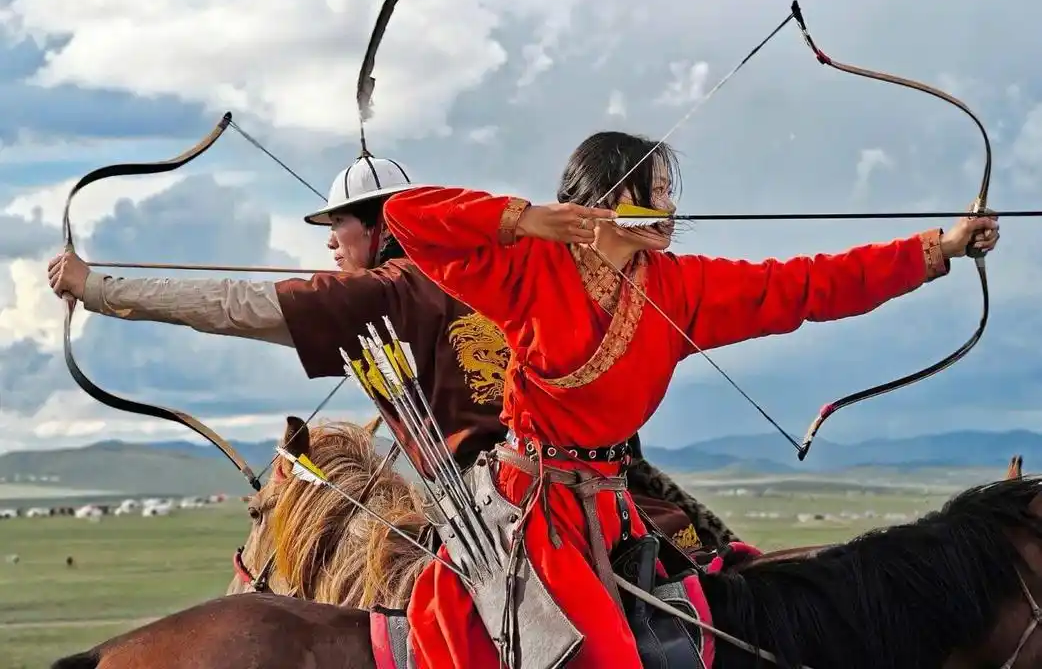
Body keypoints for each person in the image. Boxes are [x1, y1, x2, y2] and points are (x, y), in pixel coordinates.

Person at [381, 129, 1000, 668]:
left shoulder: (681, 287)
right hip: (534, 509)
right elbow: (406, 216)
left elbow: (806, 284)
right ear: (618, 199)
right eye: (659, 189)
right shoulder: (530, 267)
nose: (672, 206)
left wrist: (938, 247)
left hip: (614, 508)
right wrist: (522, 218)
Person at [45, 148, 733, 550]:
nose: (329, 242)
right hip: (617, 493)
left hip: (510, 519)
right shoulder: (502, 263)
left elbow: (234, 305)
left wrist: (94, 286)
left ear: (379, 226)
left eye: (338, 225)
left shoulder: (384, 291)